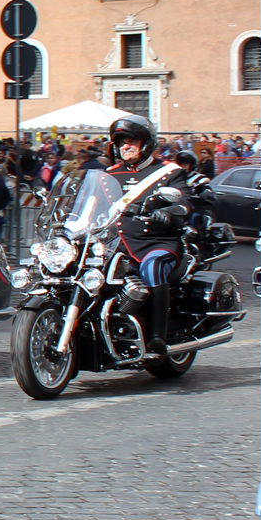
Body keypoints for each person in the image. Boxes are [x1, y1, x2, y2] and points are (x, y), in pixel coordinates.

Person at [105, 115, 194, 359]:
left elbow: (186, 202)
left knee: (153, 267)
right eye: (121, 142)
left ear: (146, 143)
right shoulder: (109, 175)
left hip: (157, 243)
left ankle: (156, 336)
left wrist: (168, 211)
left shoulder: (168, 172)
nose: (126, 146)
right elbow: (93, 205)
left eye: (132, 140)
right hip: (117, 245)